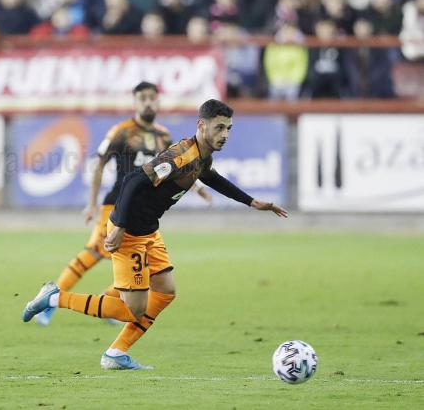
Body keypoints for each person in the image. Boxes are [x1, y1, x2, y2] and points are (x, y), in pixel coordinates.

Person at [22, 99, 287, 369]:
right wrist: (120, 227)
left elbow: (211, 177)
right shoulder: (181, 155)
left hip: (149, 230)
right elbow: (133, 180)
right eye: (219, 128)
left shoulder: (202, 156)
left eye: (229, 128)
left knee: (165, 292)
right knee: (132, 310)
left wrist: (252, 202)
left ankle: (115, 353)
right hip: (131, 233)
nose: (225, 135)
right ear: (201, 125)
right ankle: (54, 297)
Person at [34, 82, 212, 327]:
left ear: (158, 101)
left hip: (143, 212)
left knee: (146, 265)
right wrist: (91, 203)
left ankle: (108, 304)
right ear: (135, 103)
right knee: (97, 251)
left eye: (152, 98)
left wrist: (199, 187)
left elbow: (180, 168)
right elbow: (99, 164)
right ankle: (51, 300)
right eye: (143, 98)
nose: (148, 102)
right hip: (116, 207)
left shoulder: (164, 136)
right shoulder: (122, 131)